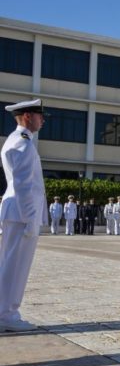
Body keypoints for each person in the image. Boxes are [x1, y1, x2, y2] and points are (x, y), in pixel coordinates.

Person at [0, 99, 48, 332]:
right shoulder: (22, 144)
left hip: (17, 213)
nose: (43, 120)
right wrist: (31, 219)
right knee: (15, 267)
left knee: (11, 265)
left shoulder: (17, 140)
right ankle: (7, 315)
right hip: (21, 215)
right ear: (28, 116)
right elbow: (24, 187)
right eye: (40, 115)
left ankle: (6, 311)